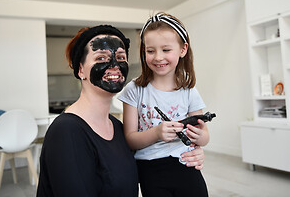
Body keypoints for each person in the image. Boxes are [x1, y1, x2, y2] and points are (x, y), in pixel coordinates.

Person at [37, 24, 205, 197]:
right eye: (101, 58)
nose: (114, 65)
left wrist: (190, 154)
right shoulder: (66, 131)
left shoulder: (118, 129)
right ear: (80, 70)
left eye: (120, 57)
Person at [119, 12, 210, 197]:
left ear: (183, 50)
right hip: (150, 169)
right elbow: (129, 139)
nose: (158, 57)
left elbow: (204, 137)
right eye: (150, 51)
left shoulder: (189, 90)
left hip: (186, 165)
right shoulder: (134, 90)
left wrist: (199, 136)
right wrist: (156, 133)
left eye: (166, 50)